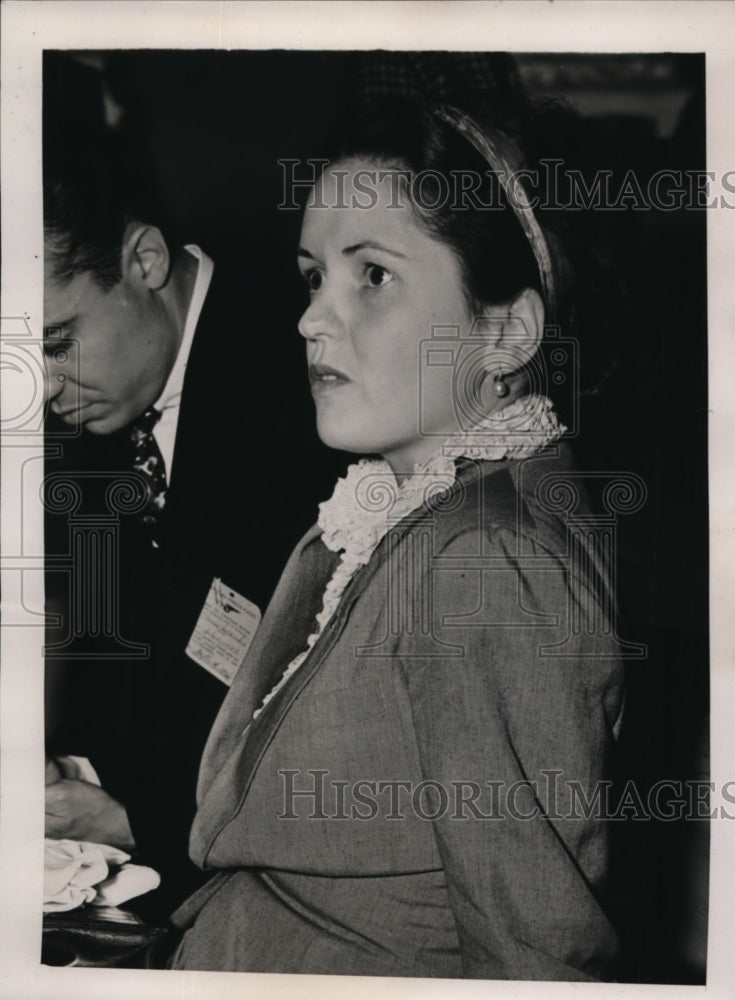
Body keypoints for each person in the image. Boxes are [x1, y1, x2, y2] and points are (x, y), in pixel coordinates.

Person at [167, 99, 625, 979]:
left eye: (371, 276)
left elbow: (530, 946)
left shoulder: (483, 560)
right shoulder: (403, 507)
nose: (310, 321)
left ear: (505, 331)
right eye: (312, 278)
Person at [42, 138, 332, 918]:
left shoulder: (313, 368)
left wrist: (141, 817)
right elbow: (109, 634)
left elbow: (334, 704)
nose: (38, 389)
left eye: (54, 343)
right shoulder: (100, 401)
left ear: (144, 260)